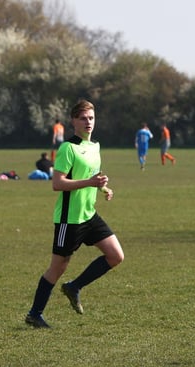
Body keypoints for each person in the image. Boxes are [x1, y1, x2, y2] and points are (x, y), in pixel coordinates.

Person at [25, 100, 125, 328]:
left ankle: (74, 287)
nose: (88, 122)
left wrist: (102, 187)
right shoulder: (67, 148)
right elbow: (58, 183)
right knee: (58, 267)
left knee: (116, 256)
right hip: (68, 220)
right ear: (73, 121)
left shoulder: (95, 147)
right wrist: (89, 182)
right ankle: (34, 314)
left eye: (91, 117)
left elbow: (92, 175)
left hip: (89, 215)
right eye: (83, 118)